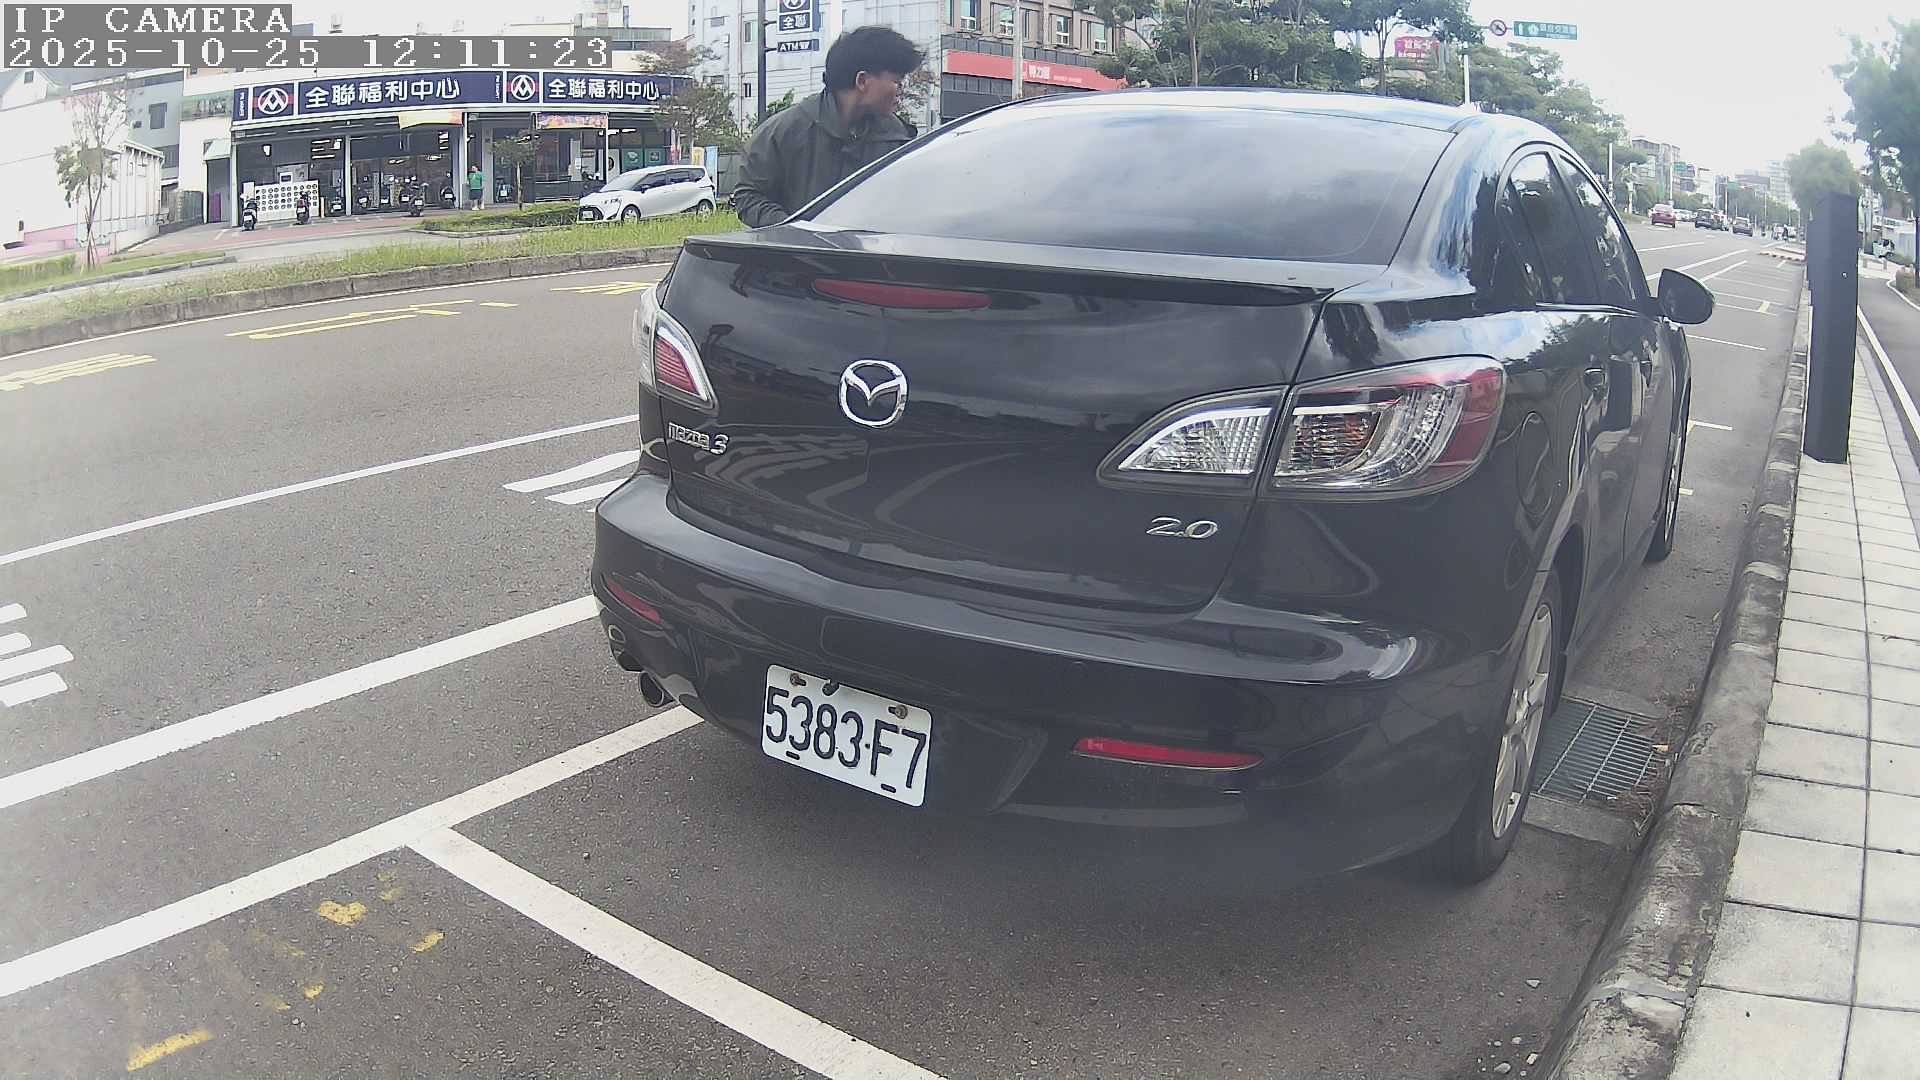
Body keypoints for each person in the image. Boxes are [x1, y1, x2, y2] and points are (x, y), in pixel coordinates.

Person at [731, 25, 924, 228]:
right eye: (897, 81)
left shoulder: (898, 138)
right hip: (796, 248)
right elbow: (749, 196)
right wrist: (793, 231)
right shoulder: (782, 133)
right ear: (862, 81)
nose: (901, 91)